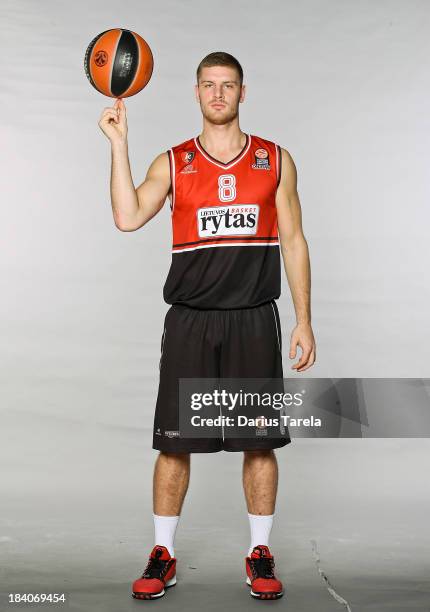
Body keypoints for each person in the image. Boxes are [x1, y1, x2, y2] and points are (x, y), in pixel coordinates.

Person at [98, 51, 316, 601]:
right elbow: (127, 217)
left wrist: (305, 320)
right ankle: (163, 552)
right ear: (196, 93)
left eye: (228, 85)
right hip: (191, 321)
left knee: (259, 445)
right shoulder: (173, 161)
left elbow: (293, 241)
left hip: (253, 319)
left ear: (244, 93)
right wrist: (119, 144)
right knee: (174, 446)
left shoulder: (275, 160)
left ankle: (259, 553)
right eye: (208, 85)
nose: (218, 94)